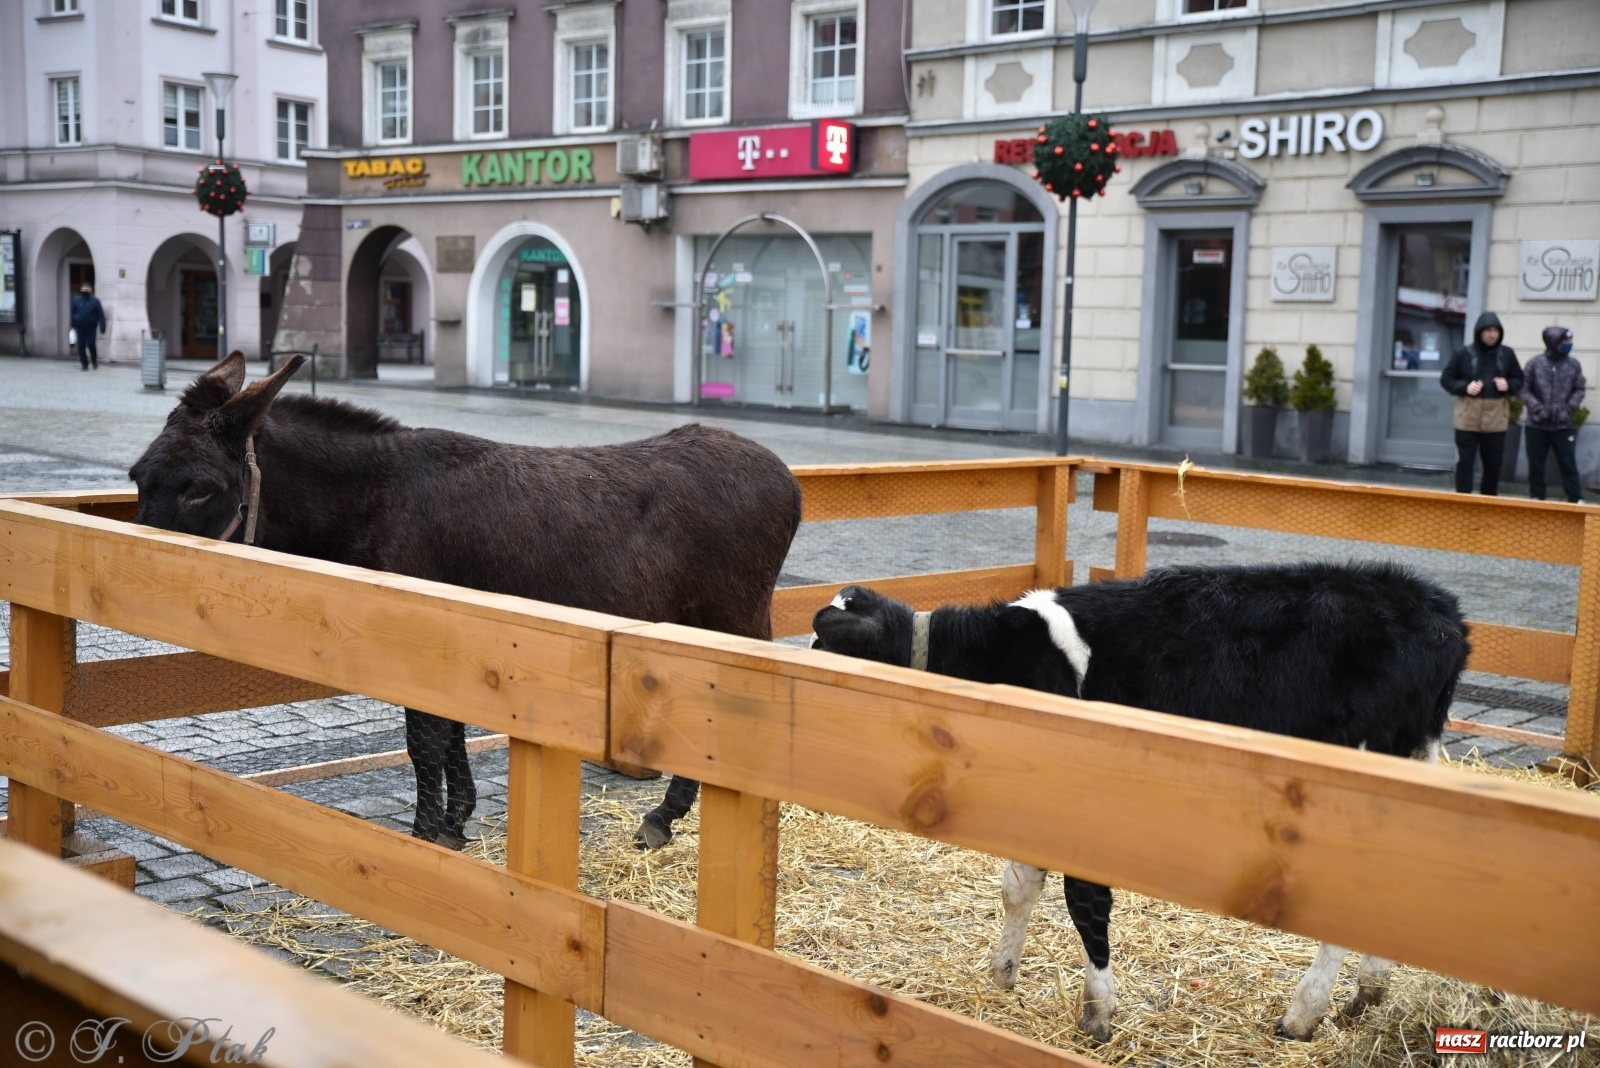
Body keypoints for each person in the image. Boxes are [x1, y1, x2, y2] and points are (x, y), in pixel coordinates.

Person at [1440, 311, 1523, 495]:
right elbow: (1446, 379)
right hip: (1467, 417)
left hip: (1495, 419)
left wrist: (1508, 384)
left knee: (1493, 464)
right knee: (1465, 462)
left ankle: (1489, 501)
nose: (1492, 334)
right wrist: (1465, 387)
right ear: (1479, 332)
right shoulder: (1464, 353)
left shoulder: (1506, 354)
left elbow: (1520, 379)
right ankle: (1463, 500)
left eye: (1496, 330)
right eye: (1488, 330)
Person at [1521, 325, 1585, 503]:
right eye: (1565, 341)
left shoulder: (1573, 365)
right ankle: (1536, 497)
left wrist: (1568, 409)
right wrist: (1537, 409)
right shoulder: (1534, 364)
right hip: (1536, 425)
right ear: (1553, 342)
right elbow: (1524, 390)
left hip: (1563, 425)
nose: (1569, 344)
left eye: (1570, 341)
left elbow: (1579, 389)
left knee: (1568, 464)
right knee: (1536, 465)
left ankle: (1575, 499)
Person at [70, 283, 106, 370]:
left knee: (91, 345)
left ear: (90, 290)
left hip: (91, 327)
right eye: (83, 289)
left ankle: (94, 360)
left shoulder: (95, 301)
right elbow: (73, 312)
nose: (85, 290)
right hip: (80, 326)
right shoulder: (76, 300)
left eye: (86, 289)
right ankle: (84, 363)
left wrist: (102, 326)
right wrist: (72, 324)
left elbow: (101, 314)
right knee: (81, 346)